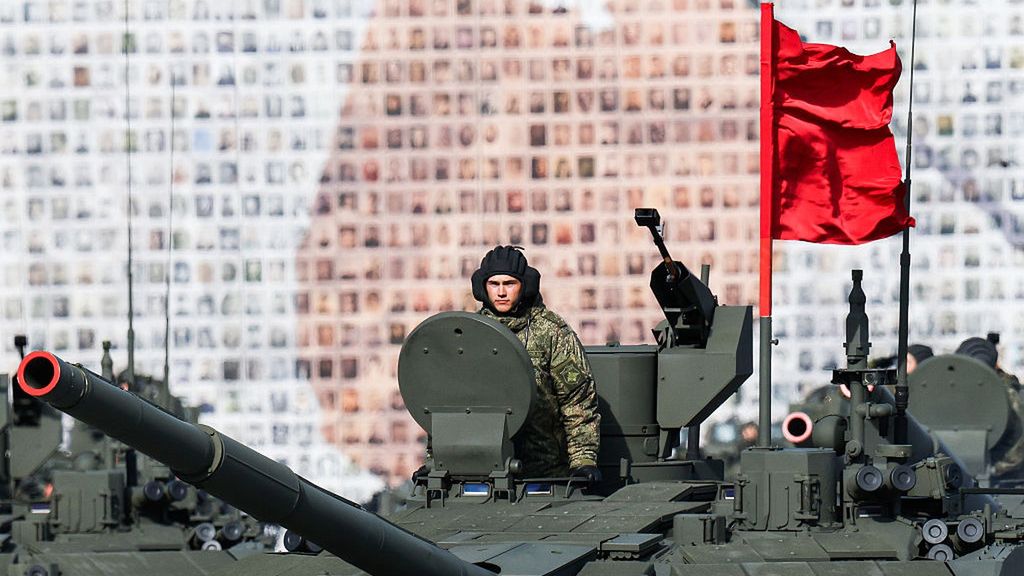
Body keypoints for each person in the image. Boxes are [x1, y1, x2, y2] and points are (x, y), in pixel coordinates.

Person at [470, 245, 601, 481]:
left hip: (546, 471)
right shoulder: (471, 333)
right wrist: (435, 458)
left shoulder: (551, 332)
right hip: (483, 470)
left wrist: (583, 460)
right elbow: (449, 399)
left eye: (509, 284)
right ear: (483, 287)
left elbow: (577, 400)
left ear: (525, 285)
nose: (501, 292)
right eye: (494, 284)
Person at [955, 336, 1024, 479]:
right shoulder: (963, 390)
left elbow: (1018, 446)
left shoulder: (1008, 394)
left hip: (1003, 479)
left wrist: (992, 470)